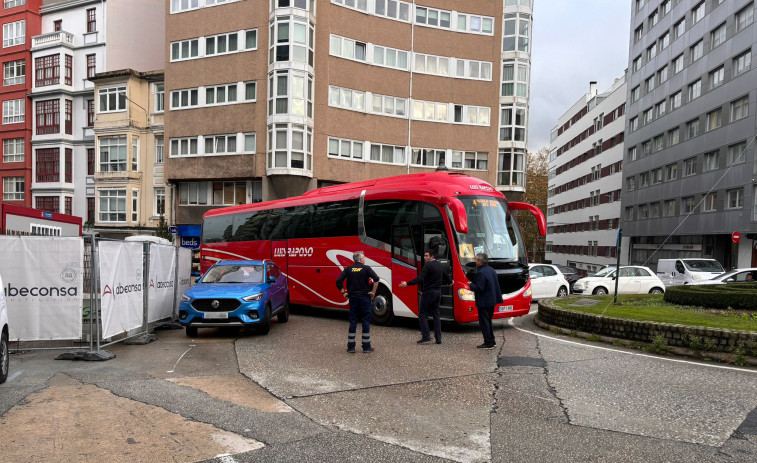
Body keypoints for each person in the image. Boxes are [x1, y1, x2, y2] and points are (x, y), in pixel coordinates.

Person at [399, 249, 451, 345]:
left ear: (432, 256)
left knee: (422, 314)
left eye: (426, 256)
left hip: (428, 292)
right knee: (436, 315)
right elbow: (447, 276)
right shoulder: (440, 265)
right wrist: (451, 282)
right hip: (438, 292)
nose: (424, 257)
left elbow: (420, 278)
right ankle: (438, 338)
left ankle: (426, 336)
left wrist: (407, 283)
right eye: (424, 255)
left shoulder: (428, 266)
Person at [335, 251, 379, 353]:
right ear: (360, 259)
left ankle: (351, 347)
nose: (365, 258)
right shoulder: (366, 268)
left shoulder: (349, 269)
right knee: (365, 322)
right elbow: (376, 279)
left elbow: (338, 281)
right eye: (364, 257)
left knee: (353, 321)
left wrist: (344, 293)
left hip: (353, 299)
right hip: (364, 299)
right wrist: (373, 292)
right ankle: (366, 347)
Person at [467, 253, 502, 349]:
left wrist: (470, 285)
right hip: (491, 300)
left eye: (476, 259)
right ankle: (492, 340)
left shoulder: (481, 272)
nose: (475, 261)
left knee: (484, 323)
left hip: (484, 302)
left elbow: (480, 288)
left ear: (480, 261)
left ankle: (488, 342)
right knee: (488, 321)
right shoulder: (491, 270)